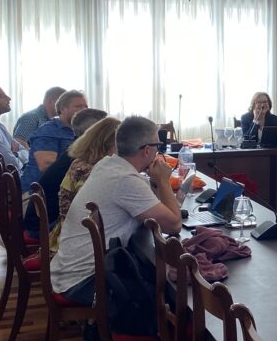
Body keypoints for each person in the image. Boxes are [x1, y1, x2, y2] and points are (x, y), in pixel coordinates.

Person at [51, 116, 182, 306]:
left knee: (154, 273)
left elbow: (151, 207)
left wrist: (156, 182)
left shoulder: (108, 164)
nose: (158, 151)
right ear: (147, 150)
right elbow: (174, 225)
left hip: (68, 270)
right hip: (83, 281)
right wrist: (163, 180)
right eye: (158, 146)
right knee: (169, 294)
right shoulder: (125, 179)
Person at [22, 108, 108, 238]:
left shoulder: (76, 150)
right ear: (98, 134)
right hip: (45, 227)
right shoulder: (82, 161)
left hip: (43, 220)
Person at [49, 116, 122, 252]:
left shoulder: (80, 162)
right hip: (77, 242)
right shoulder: (91, 171)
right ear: (109, 144)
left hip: (66, 231)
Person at [21, 90, 89, 188]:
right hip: (39, 191)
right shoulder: (48, 131)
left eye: (85, 106)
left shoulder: (81, 131)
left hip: (67, 185)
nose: (84, 110)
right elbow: (46, 166)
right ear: (63, 108)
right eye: (78, 106)